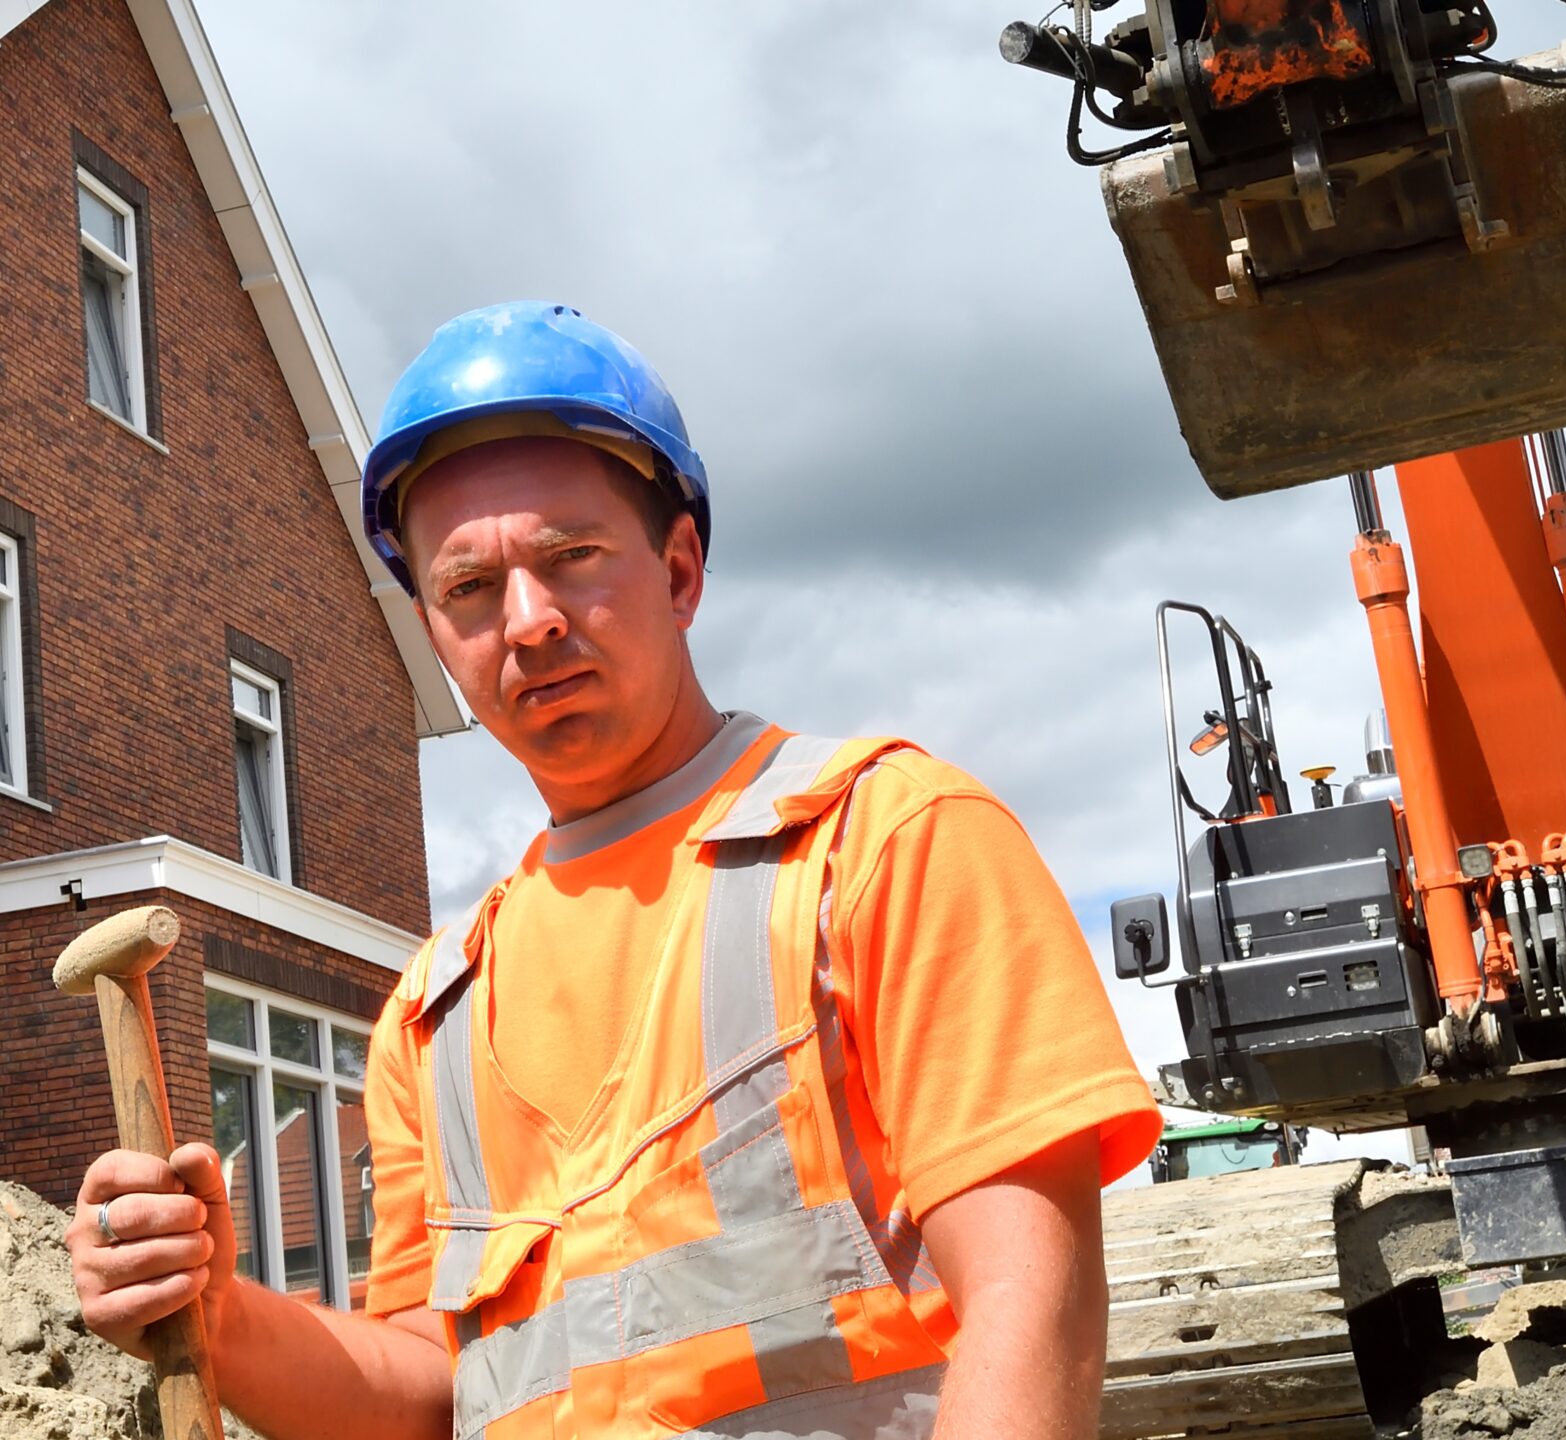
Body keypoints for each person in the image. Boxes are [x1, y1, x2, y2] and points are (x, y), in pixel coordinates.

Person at [68, 302, 1161, 1439]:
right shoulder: (436, 1019)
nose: (528, 622)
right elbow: (425, 1390)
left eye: (571, 558)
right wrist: (213, 1308)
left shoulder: (884, 842)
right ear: (435, 632)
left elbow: (1029, 1302)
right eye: (470, 590)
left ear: (680, 569)